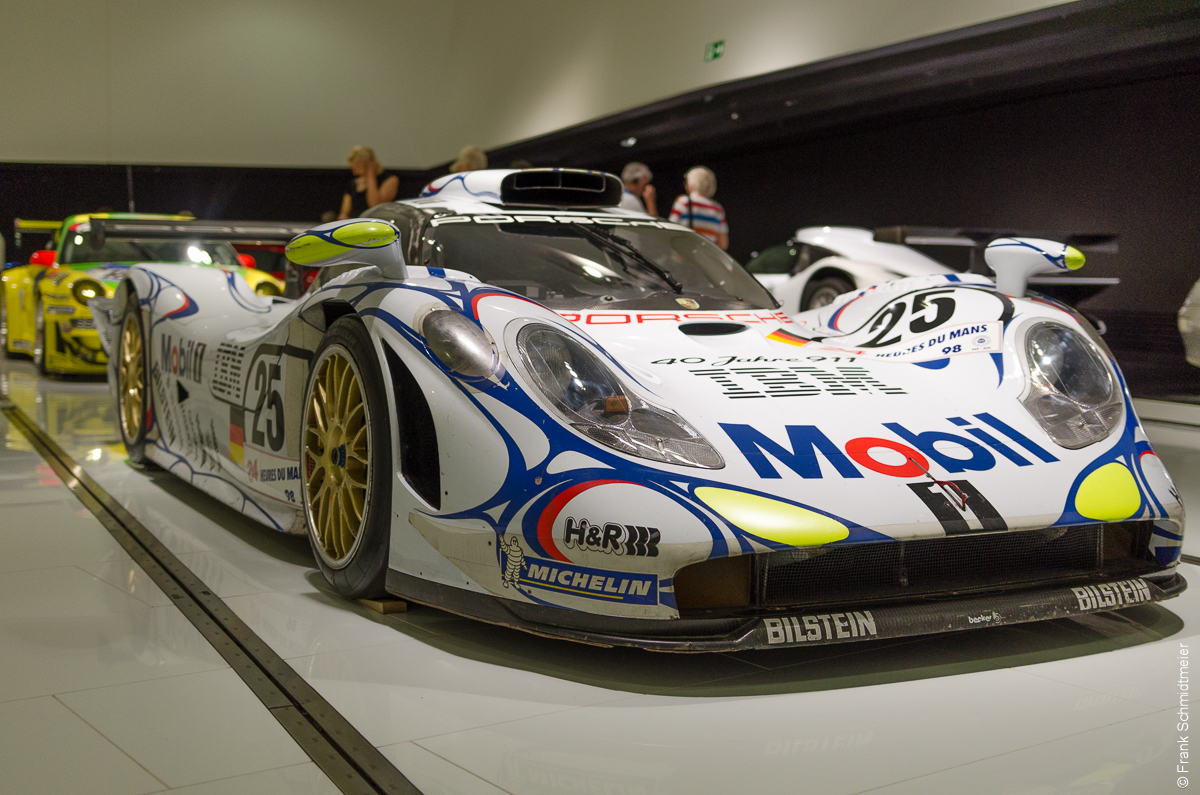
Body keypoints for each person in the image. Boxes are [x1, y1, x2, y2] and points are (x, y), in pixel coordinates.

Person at [668, 166, 728, 250]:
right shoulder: (718, 209)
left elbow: (669, 230)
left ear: (691, 183)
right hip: (706, 255)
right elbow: (723, 244)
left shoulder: (684, 202)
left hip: (684, 252)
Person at [339, 146, 399, 219]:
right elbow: (344, 211)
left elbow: (375, 205)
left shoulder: (390, 179)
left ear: (368, 164)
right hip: (354, 222)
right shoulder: (354, 183)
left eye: (357, 168)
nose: (354, 173)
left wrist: (370, 174)